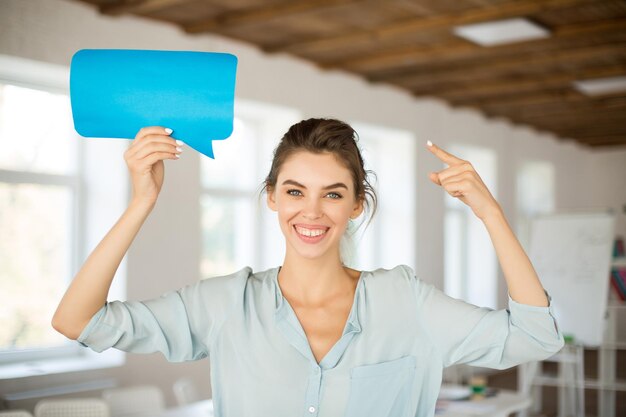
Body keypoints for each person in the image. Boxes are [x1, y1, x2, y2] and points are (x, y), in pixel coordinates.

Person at [52, 118, 564, 417]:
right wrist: (143, 200)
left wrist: (490, 212)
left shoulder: (407, 302)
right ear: (272, 198)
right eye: (295, 191)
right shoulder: (227, 304)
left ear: (356, 205)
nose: (312, 212)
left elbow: (536, 337)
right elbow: (79, 321)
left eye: (333, 194)